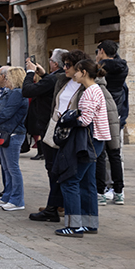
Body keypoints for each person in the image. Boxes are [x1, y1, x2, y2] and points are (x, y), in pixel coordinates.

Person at [52, 59, 111, 238]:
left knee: (70, 181)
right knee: (87, 182)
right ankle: (89, 223)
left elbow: (85, 120)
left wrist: (67, 118)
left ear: (83, 72)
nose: (74, 74)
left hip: (87, 142)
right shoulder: (95, 89)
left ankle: (74, 226)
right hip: (96, 141)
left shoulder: (89, 92)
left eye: (76, 71)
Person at [29, 50, 86, 224]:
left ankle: (67, 215)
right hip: (54, 129)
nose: (64, 68)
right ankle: (53, 207)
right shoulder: (62, 80)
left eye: (68, 65)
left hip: (70, 132)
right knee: (52, 170)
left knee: (65, 173)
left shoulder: (87, 86)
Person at [0, 66, 29, 212]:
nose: (5, 80)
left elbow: (7, 112)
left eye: (7, 77)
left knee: (12, 168)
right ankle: (8, 196)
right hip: (7, 131)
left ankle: (17, 200)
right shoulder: (11, 92)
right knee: (7, 167)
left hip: (13, 133)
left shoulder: (17, 93)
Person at [95, 40, 127, 204]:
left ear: (101, 51)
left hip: (102, 113)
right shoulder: (123, 67)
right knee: (115, 154)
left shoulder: (100, 69)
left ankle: (100, 192)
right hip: (116, 113)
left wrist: (97, 62)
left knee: (100, 154)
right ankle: (119, 192)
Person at [23, 49, 69, 162]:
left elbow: (27, 91)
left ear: (56, 64)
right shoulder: (60, 77)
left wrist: (30, 72)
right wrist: (44, 75)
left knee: (51, 161)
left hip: (47, 121)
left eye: (50, 60)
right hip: (56, 120)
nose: (49, 62)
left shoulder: (53, 79)